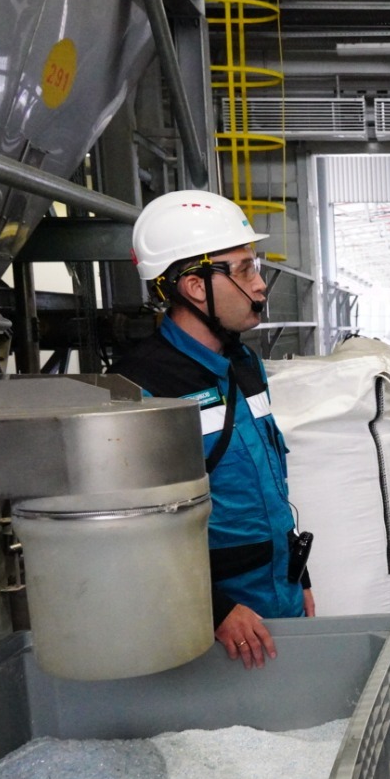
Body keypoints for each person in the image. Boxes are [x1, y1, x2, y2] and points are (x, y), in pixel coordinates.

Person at [115, 190, 313, 670]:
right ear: (195, 286)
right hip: (210, 628)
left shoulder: (245, 364)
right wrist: (215, 610)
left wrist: (299, 577)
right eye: (244, 270)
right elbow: (132, 530)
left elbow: (270, 483)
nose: (260, 285)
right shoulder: (143, 387)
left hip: (276, 597)